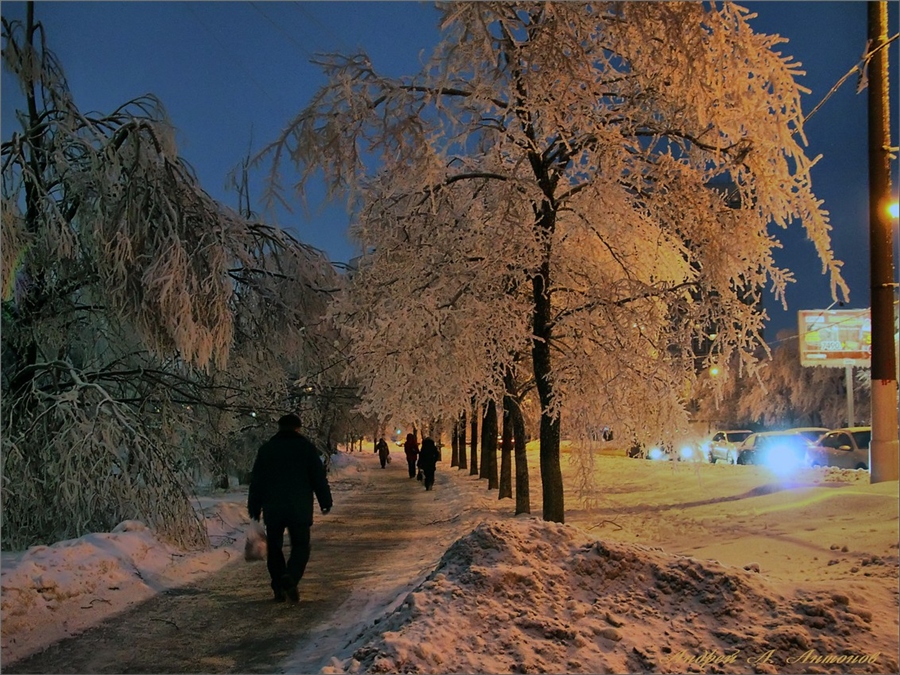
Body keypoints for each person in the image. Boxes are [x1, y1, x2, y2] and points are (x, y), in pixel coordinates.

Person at [247, 414, 333, 603]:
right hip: (299, 508)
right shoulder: (307, 449)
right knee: (301, 546)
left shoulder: (267, 450)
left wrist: (254, 507)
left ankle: (278, 584)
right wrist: (325, 501)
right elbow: (318, 479)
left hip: (273, 508)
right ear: (298, 428)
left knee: (275, 547)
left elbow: (257, 481)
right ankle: (291, 577)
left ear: (279, 427)